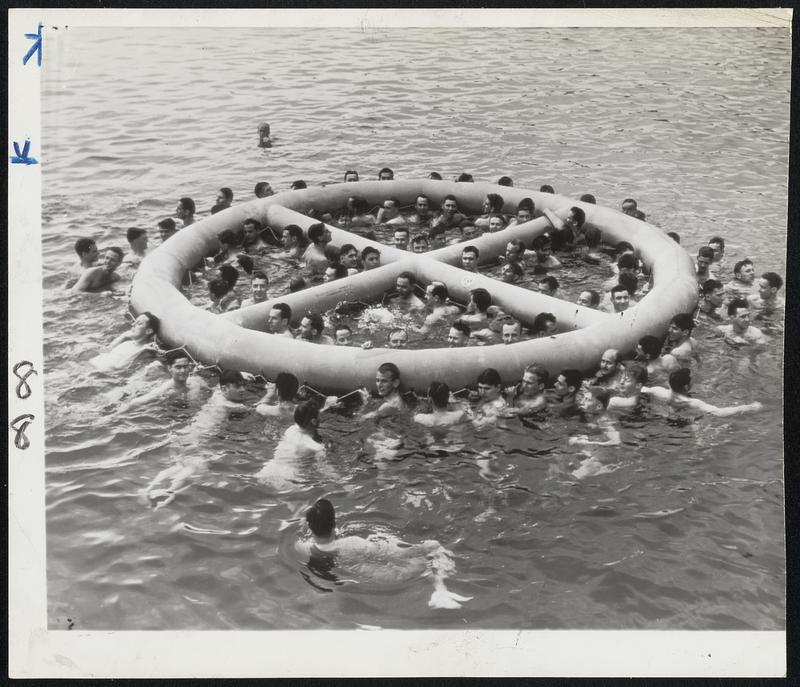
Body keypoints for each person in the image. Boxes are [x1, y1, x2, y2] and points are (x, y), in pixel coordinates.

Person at [297, 498, 472, 609]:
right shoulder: (352, 543)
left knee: (420, 565)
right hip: (391, 573)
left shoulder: (304, 547)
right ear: (334, 523)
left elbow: (304, 534)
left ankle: (440, 591)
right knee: (431, 549)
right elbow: (395, 554)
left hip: (376, 578)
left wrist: (307, 523)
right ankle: (441, 589)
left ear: (310, 527)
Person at [144, 370, 250, 509]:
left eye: (243, 385)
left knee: (179, 466)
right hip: (196, 441)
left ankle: (149, 487)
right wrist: (270, 395)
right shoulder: (231, 405)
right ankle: (170, 491)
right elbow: (256, 409)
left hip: (183, 434)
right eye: (237, 386)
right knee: (196, 468)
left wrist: (240, 375)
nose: (243, 389)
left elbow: (221, 384)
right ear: (225, 388)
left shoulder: (217, 394)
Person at [641, 368, 764, 417]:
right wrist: (748, 407)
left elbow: (641, 389)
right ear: (686, 386)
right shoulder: (693, 403)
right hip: (685, 422)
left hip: (666, 417)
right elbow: (719, 412)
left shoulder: (658, 391)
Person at [122, 350, 208, 410]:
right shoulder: (165, 390)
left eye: (185, 367)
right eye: (178, 367)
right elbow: (135, 403)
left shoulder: (195, 381)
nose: (183, 371)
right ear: (170, 368)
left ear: (189, 367)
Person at [91, 312, 160, 372]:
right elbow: (106, 351)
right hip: (90, 366)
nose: (133, 325)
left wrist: (141, 351)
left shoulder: (145, 352)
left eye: (139, 324)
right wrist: (123, 336)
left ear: (148, 331)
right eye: (134, 322)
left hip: (97, 374)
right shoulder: (127, 343)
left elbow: (120, 367)